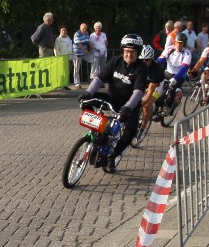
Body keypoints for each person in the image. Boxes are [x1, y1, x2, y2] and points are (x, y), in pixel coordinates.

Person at [79, 35, 162, 171]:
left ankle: (113, 156)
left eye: (133, 52)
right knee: (86, 101)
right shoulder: (115, 61)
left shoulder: (141, 68)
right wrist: (89, 92)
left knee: (130, 131)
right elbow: (100, 78)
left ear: (137, 53)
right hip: (112, 99)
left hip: (130, 105)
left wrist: (128, 107)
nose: (129, 54)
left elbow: (138, 91)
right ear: (122, 50)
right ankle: (97, 130)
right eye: (127, 51)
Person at [156, 32, 192, 108]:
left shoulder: (187, 53)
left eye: (181, 43)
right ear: (174, 42)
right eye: (177, 43)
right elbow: (160, 60)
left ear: (184, 44)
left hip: (179, 75)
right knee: (157, 91)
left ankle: (171, 106)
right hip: (168, 72)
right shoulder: (169, 49)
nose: (178, 45)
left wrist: (175, 78)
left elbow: (184, 67)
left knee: (172, 91)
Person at [72, 23, 90, 89]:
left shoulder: (87, 33)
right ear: (80, 28)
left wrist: (90, 49)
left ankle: (93, 78)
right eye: (83, 29)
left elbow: (89, 42)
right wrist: (84, 50)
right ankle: (77, 83)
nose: (84, 30)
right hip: (77, 53)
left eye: (85, 29)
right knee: (77, 69)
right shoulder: (77, 34)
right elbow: (79, 44)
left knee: (94, 60)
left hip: (84, 53)